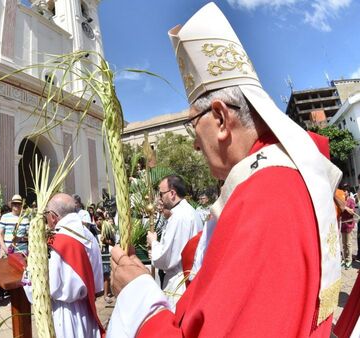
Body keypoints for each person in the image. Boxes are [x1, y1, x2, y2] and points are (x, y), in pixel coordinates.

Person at [108, 3, 342, 336]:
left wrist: (137, 292)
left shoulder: (266, 198)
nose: (193, 144)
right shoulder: (281, 181)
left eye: (192, 125)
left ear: (219, 119)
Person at [23, 193, 104, 337]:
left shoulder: (55, 241)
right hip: (87, 312)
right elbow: (97, 286)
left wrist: (27, 273)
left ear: (53, 216)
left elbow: (48, 287)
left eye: (46, 214)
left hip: (63, 316)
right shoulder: (89, 235)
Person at [148, 175, 202, 294]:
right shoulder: (190, 211)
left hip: (179, 283)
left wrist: (153, 242)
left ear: (172, 193)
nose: (160, 198)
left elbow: (168, 259)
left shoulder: (178, 216)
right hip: (189, 278)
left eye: (161, 194)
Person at [341, 190, 356, 269]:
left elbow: (352, 212)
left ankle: (349, 260)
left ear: (348, 192)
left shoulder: (351, 200)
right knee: (343, 244)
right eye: (343, 191)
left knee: (348, 244)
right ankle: (345, 259)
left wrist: (345, 207)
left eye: (345, 191)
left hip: (349, 225)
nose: (344, 192)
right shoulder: (342, 200)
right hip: (343, 224)